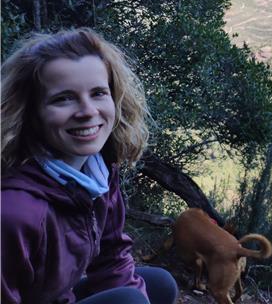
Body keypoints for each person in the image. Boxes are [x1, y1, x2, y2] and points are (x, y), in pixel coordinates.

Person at [1, 28, 178, 304]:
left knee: (159, 285)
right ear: (31, 113)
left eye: (98, 93)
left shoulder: (98, 173)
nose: (87, 111)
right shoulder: (15, 212)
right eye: (63, 98)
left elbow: (113, 258)